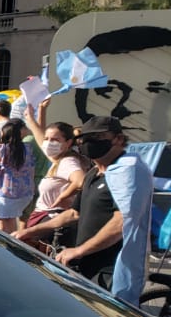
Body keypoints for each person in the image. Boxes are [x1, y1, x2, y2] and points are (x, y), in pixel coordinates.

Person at [14, 116, 153, 305]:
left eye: (98, 136)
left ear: (118, 139)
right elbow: (73, 213)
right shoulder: (94, 173)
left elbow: (122, 221)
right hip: (86, 265)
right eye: (84, 138)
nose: (88, 143)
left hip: (111, 269)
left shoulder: (128, 170)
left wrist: (79, 250)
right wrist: (29, 232)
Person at [23, 99, 88, 228]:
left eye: (55, 140)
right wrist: (37, 114)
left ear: (68, 143)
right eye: (47, 139)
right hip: (45, 217)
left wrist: (62, 197)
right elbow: (41, 139)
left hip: (53, 220)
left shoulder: (67, 162)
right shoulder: (58, 159)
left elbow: (80, 181)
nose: (48, 143)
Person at [0, 118, 35, 232]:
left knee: (4, 223)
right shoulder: (27, 148)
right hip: (26, 192)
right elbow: (31, 169)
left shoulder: (2, 149)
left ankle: (8, 246)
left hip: (7, 191)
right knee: (12, 219)